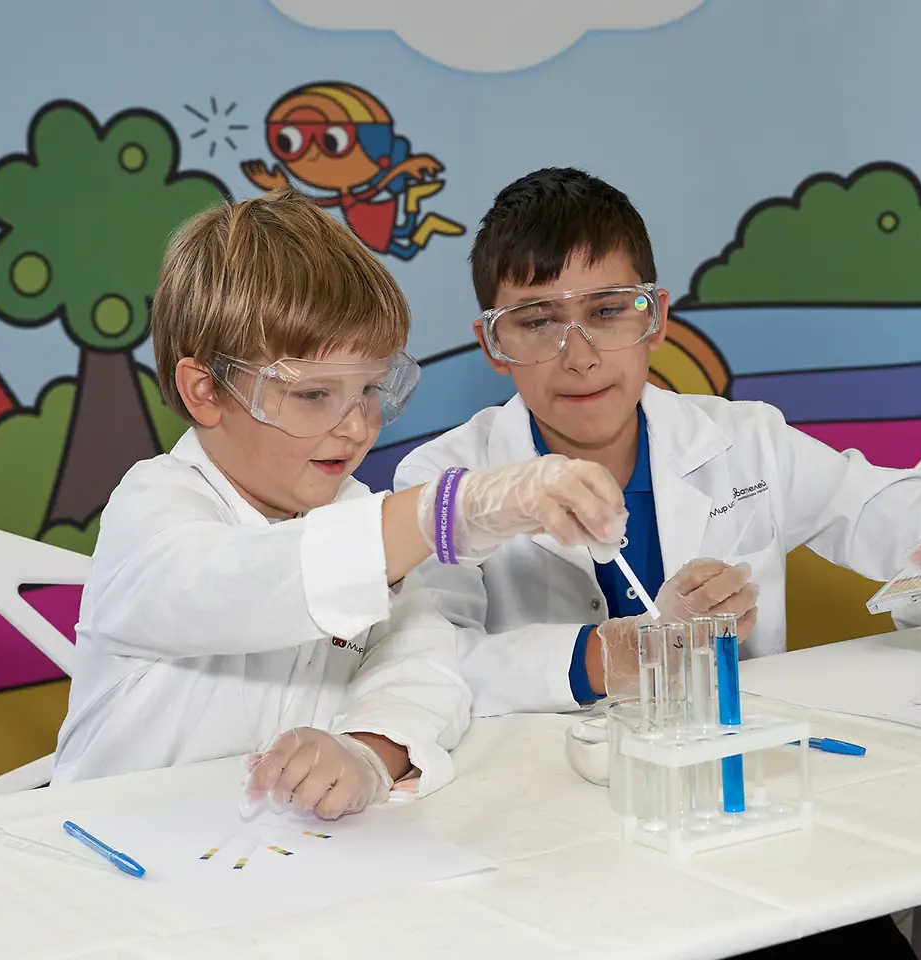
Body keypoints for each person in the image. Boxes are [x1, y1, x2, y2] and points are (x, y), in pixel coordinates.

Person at [388, 166, 921, 956]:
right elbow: (429, 667)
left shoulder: (744, 441)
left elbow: (885, 508)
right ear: (492, 343)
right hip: (544, 841)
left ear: (656, 317)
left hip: (739, 817)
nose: (576, 355)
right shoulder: (444, 484)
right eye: (536, 321)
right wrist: (609, 656)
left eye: (608, 311)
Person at [52, 187, 628, 823]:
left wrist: (368, 752)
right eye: (314, 396)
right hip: (115, 852)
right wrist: (446, 511)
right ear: (205, 390)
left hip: (273, 857)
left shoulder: (354, 512)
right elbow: (236, 584)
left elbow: (424, 664)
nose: (356, 427)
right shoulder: (154, 506)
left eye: (373, 389)